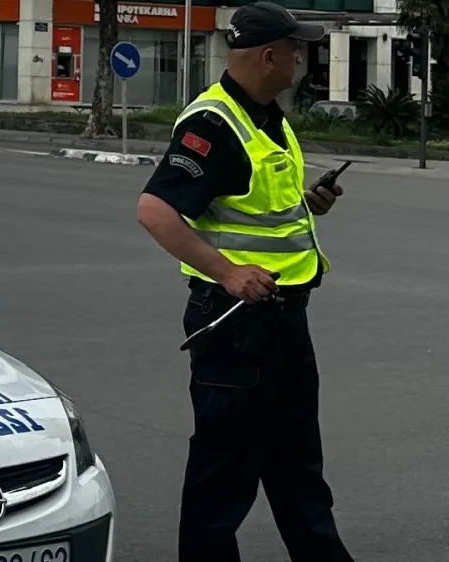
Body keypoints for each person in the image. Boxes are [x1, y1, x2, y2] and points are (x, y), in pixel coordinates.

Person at [135, 3, 355, 562]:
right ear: (268, 55)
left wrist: (309, 204)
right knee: (223, 476)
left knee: (298, 467)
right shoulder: (213, 124)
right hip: (235, 326)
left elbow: (250, 210)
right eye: (295, 49)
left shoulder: (265, 116)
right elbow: (155, 210)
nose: (301, 59)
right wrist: (229, 273)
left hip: (283, 321)